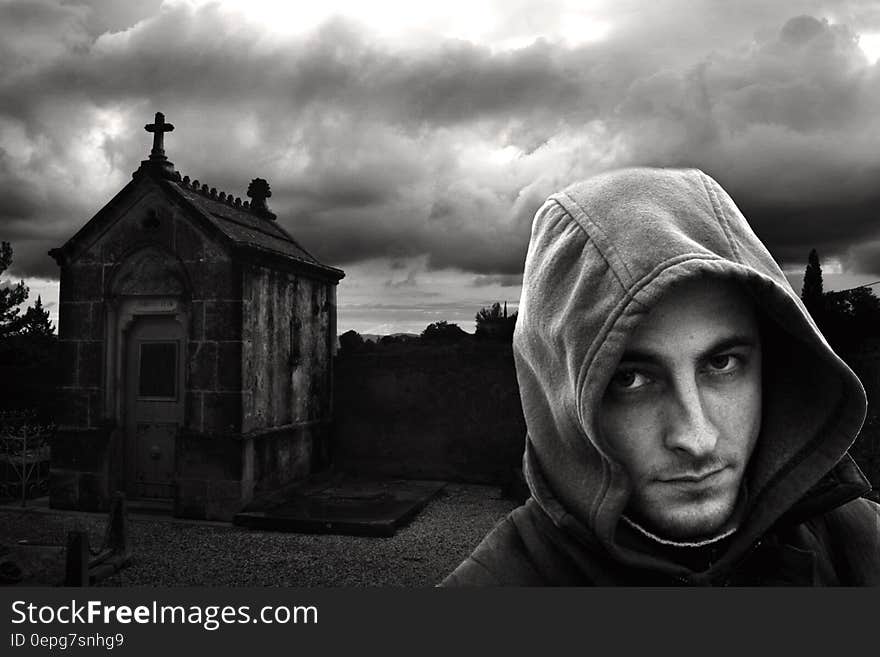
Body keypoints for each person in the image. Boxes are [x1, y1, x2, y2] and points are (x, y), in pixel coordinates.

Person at [442, 167, 880, 585]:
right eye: (630, 379)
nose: (697, 438)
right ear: (559, 395)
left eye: (721, 364)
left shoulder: (859, 545)